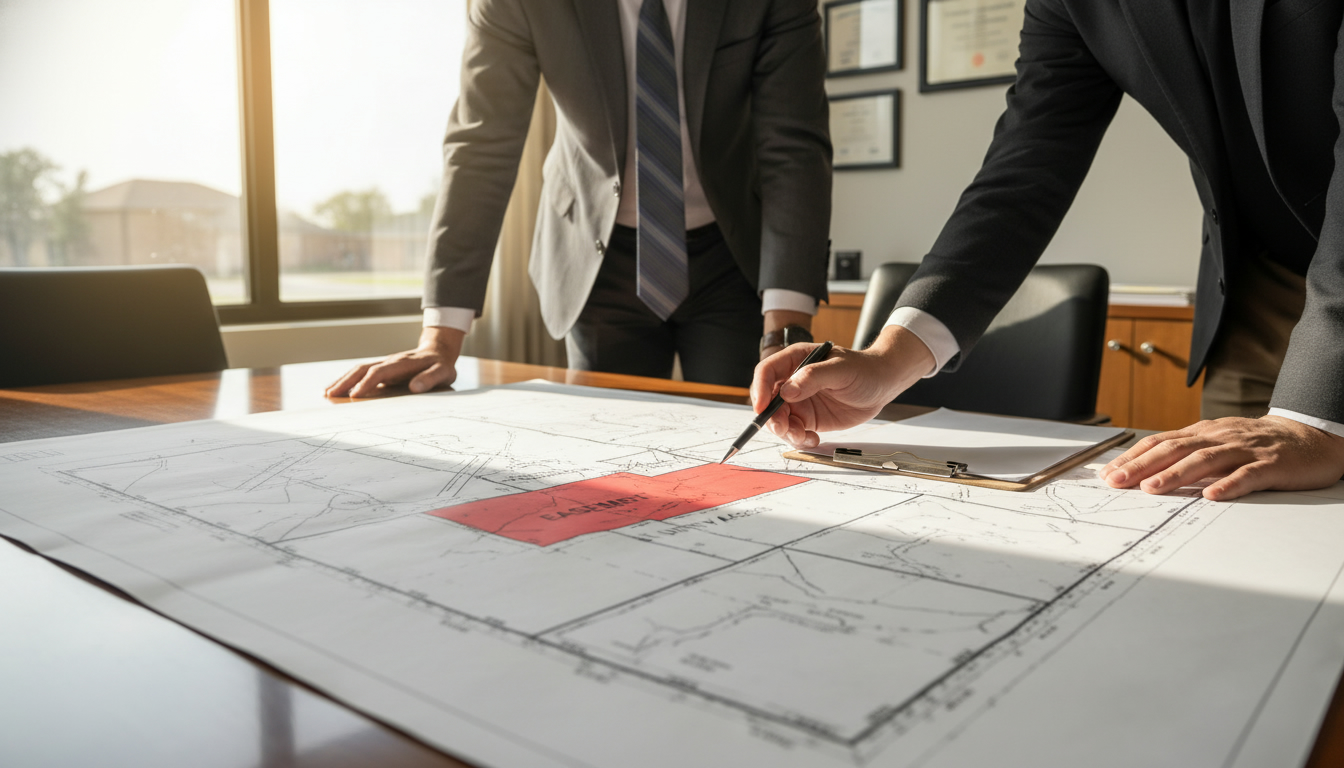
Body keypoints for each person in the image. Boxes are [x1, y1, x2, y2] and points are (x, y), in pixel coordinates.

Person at [752, 0, 1344, 502]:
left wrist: (1312, 417)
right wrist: (889, 361)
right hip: (1261, 274)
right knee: (1229, 505)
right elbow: (1024, 171)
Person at [327, 0, 831, 398]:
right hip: (596, 256)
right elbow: (481, 147)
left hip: (732, 256)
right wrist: (440, 338)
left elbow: (794, 149)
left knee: (747, 433)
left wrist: (784, 330)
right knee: (609, 457)